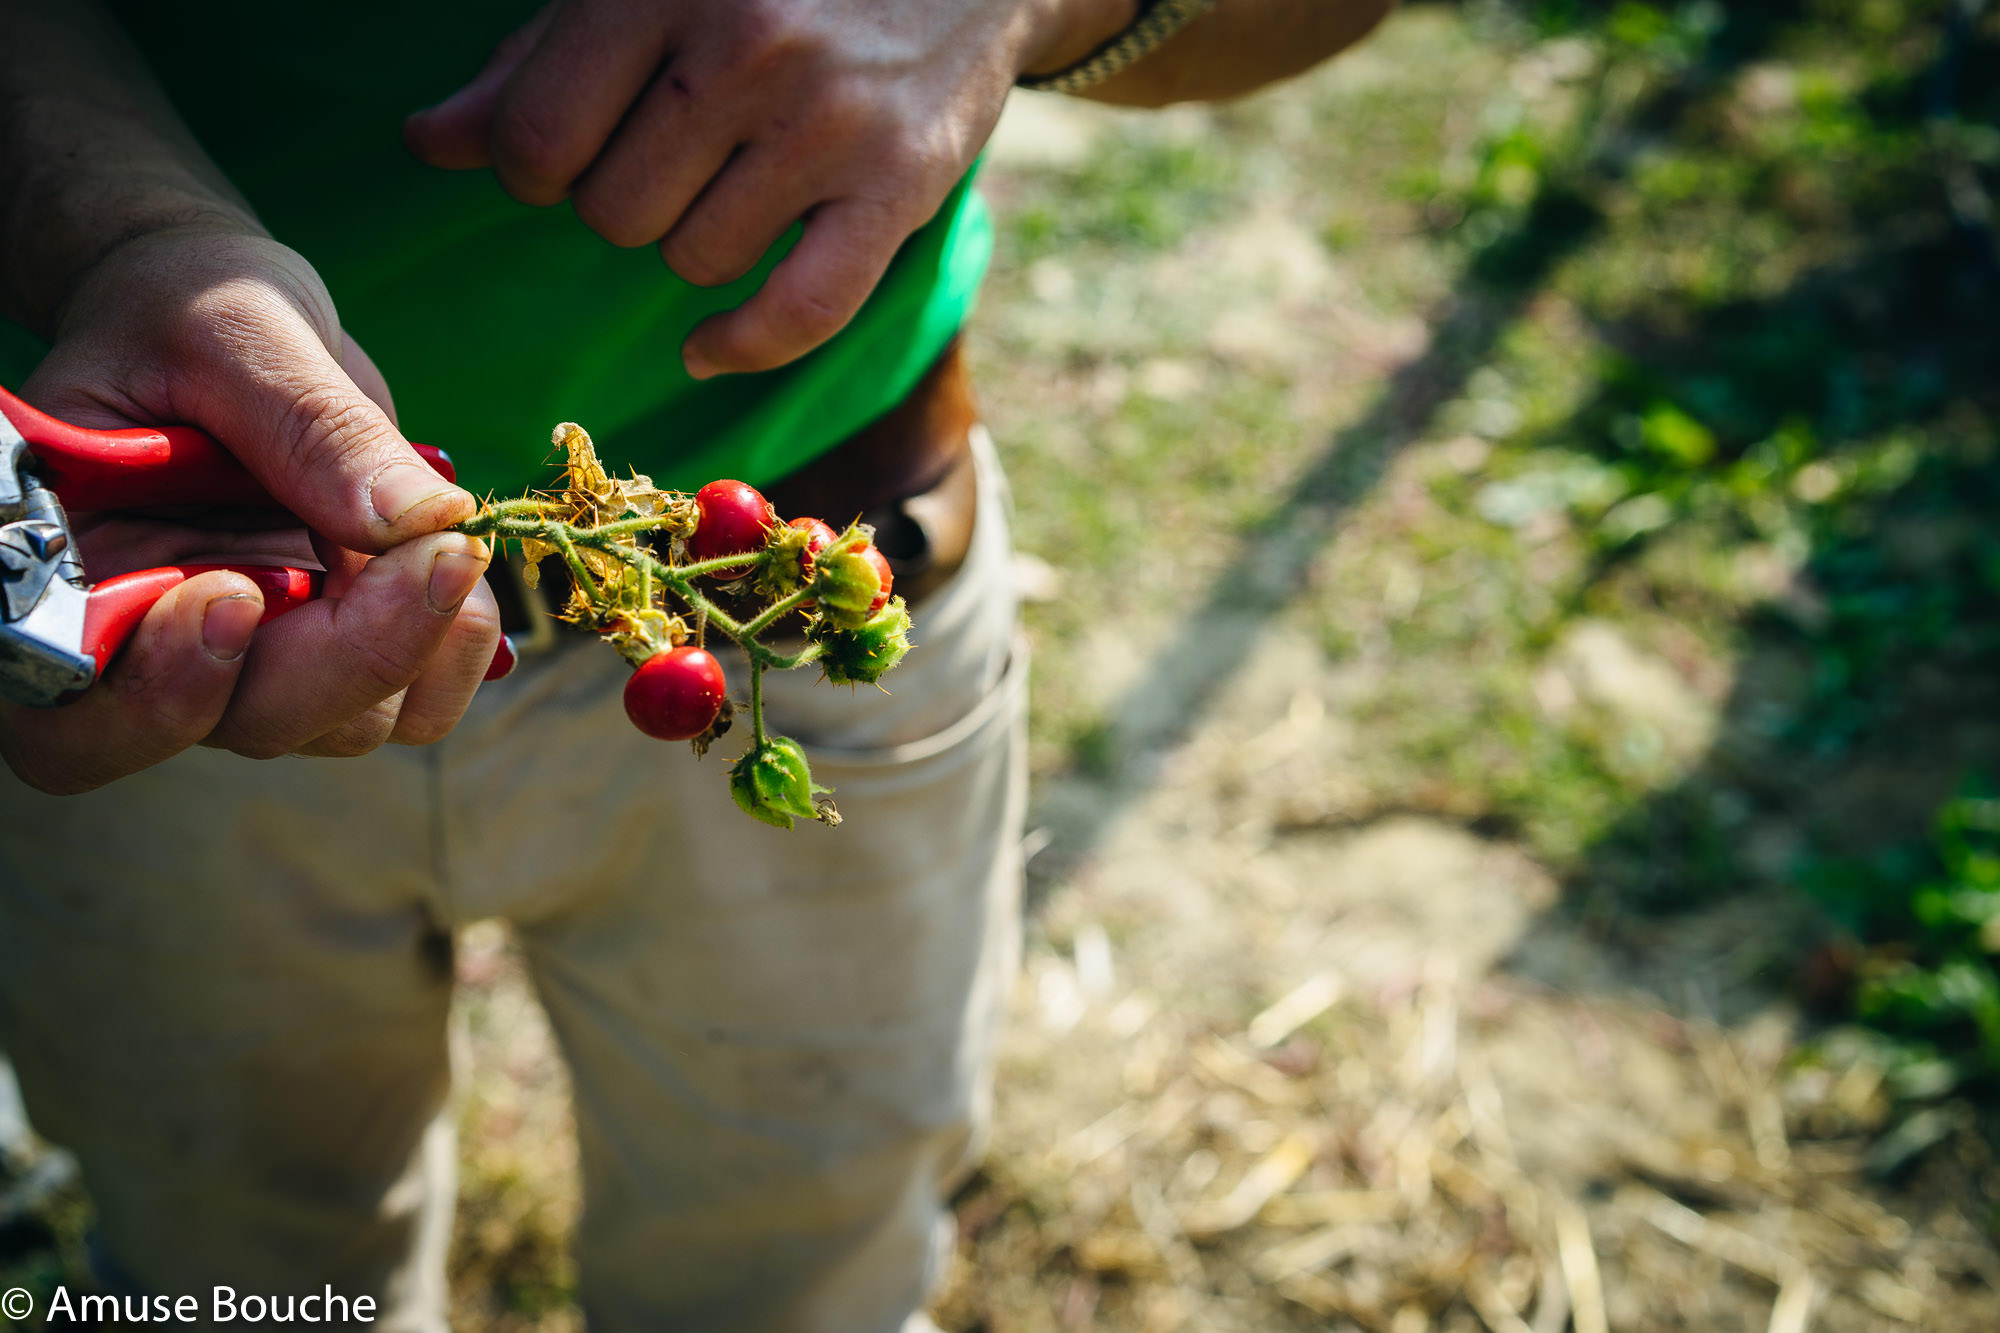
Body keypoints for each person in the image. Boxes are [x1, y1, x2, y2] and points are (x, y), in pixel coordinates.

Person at [0, 1, 1395, 1328]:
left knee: (799, 1289)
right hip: (158, 598)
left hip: (814, 558)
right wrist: (121, 233)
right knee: (222, 1284)